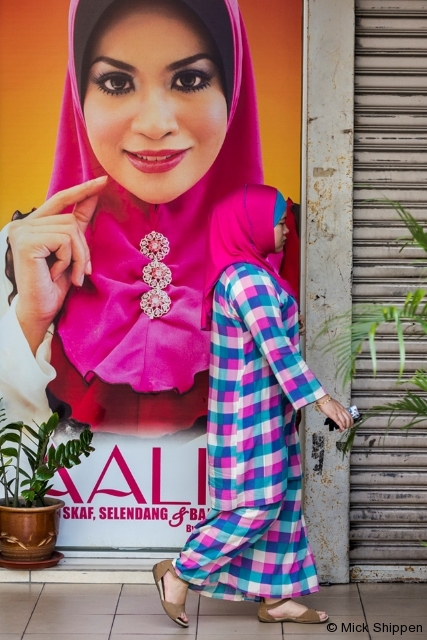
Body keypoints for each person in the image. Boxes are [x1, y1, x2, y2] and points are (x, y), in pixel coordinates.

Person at [0, 0, 271, 435]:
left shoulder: (294, 253)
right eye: (115, 82)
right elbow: (13, 486)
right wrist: (29, 321)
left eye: (189, 79)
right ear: (79, 95)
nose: (155, 124)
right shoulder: (22, 256)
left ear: (233, 88)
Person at [152, 184, 353, 627]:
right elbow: (275, 345)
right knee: (258, 505)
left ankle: (276, 597)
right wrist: (321, 397)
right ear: (250, 225)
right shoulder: (246, 279)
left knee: (281, 505)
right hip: (248, 418)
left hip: (266, 413)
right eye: (278, 220)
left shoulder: (256, 275)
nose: (285, 229)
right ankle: (179, 572)